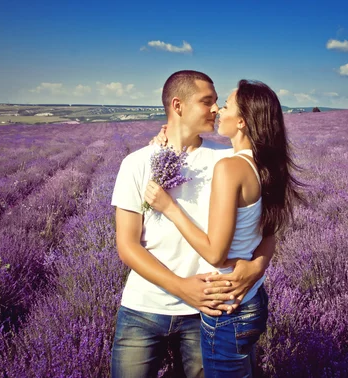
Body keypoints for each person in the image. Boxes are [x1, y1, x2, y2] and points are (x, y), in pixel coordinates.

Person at [110, 71, 275, 378]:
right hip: (144, 306)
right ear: (178, 105)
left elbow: (268, 227)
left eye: (218, 103)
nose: (215, 109)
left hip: (206, 311)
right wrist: (183, 289)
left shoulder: (227, 159)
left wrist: (257, 266)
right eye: (207, 101)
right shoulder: (138, 163)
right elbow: (127, 245)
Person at [145, 79, 305, 377]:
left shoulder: (229, 168)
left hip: (226, 305)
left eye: (227, 105)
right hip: (251, 298)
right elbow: (269, 232)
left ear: (242, 121)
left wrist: (169, 208)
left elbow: (216, 254)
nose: (218, 110)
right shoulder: (261, 165)